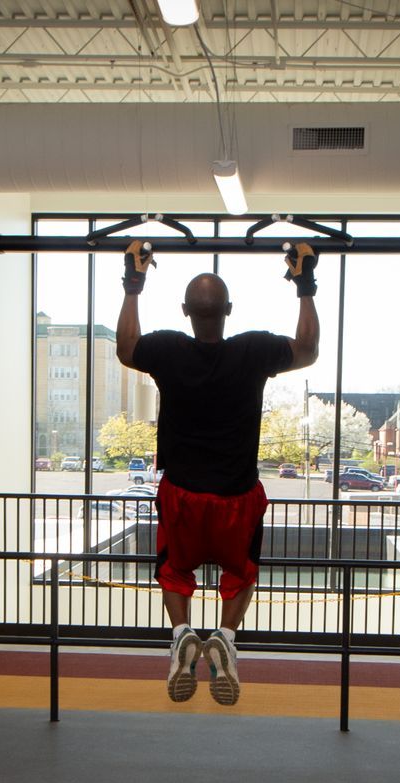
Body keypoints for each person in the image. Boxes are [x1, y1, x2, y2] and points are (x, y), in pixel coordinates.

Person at [115, 240, 320, 704]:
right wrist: (304, 285)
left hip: (183, 494)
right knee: (241, 572)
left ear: (186, 310)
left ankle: (183, 633)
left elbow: (127, 347)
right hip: (235, 497)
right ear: (229, 309)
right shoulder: (254, 349)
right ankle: (225, 637)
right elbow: (308, 348)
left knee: (174, 571)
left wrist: (134, 283)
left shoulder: (167, 348)